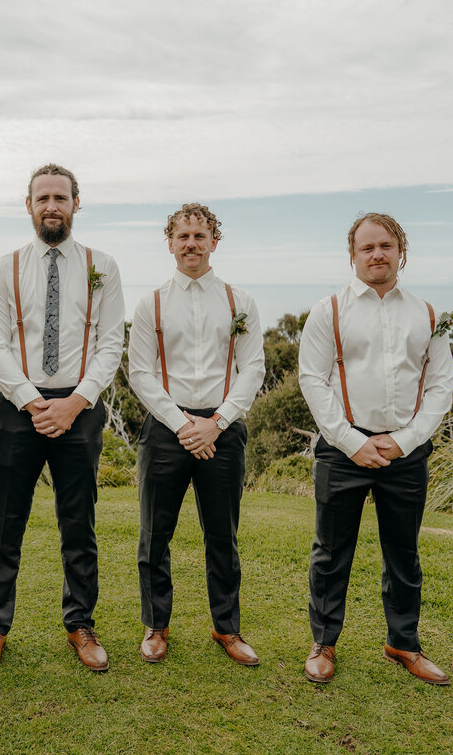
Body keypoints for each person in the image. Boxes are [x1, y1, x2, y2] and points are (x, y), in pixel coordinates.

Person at [0, 164, 125, 673]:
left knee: (78, 523)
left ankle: (80, 624)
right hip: (19, 409)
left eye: (61, 197)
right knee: (4, 525)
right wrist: (30, 400)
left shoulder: (102, 265)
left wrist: (74, 402)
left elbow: (110, 344)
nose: (52, 206)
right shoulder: (5, 268)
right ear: (29, 205)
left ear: (76, 204)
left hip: (79, 409)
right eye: (43, 198)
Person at [297, 212, 453, 685]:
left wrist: (405, 440)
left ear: (401, 250)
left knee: (403, 553)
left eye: (385, 245)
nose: (377, 254)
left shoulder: (426, 313)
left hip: (405, 453)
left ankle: (403, 643)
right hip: (343, 451)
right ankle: (323, 643)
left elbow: (440, 386)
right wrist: (351, 441)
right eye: (366, 248)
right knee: (331, 552)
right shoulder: (329, 310)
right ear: (353, 255)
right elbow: (313, 379)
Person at [127, 203, 265, 666]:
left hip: (222, 430)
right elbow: (141, 373)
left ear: (214, 242)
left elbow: (253, 369)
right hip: (167, 429)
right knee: (155, 535)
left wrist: (217, 422)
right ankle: (155, 626)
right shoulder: (152, 303)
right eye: (182, 236)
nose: (191, 244)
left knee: (222, 535)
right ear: (170, 243)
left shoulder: (239, 301)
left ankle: (227, 629)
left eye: (199, 236)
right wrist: (185, 424)